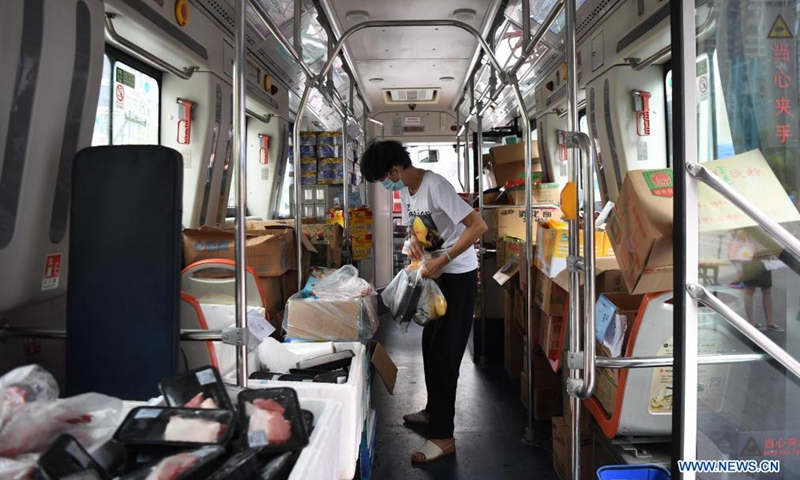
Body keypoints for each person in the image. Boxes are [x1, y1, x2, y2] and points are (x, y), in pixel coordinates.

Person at [360, 140, 488, 463]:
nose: (385, 185)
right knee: (430, 346)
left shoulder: (436, 186)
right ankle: (433, 411)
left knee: (446, 354)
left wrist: (444, 259)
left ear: (394, 170)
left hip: (457, 276)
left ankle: (444, 437)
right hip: (435, 273)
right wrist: (414, 243)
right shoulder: (407, 190)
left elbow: (478, 226)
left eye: (383, 179)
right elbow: (416, 230)